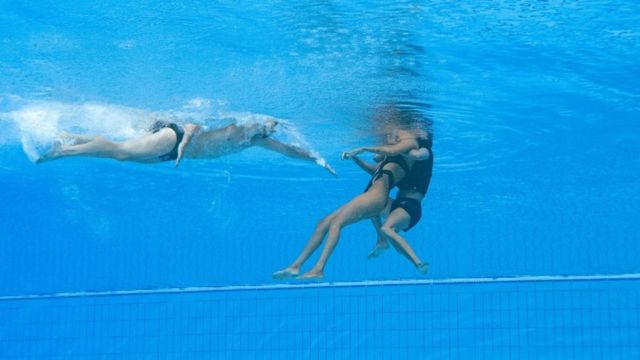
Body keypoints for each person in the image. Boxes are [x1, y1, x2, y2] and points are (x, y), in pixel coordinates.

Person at [272, 124, 426, 280]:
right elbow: (374, 168)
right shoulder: (389, 160)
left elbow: (393, 150)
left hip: (375, 198)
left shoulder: (408, 152)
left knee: (337, 224)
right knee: (322, 223)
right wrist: (355, 158)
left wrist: (364, 148)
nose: (390, 137)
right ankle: (295, 266)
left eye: (395, 135)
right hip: (370, 195)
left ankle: (318, 269)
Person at [36, 119, 337, 177]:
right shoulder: (236, 123)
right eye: (268, 126)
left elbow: (289, 151)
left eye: (271, 129)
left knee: (122, 156)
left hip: (172, 156)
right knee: (122, 151)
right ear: (257, 121)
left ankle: (69, 136)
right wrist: (181, 149)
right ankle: (62, 152)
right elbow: (193, 124)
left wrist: (318, 161)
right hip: (174, 139)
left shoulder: (254, 140)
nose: (270, 131)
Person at [354, 136, 433, 275]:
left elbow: (419, 156)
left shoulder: (424, 150)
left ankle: (418, 262)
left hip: (411, 207)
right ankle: (382, 241)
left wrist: (395, 150)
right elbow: (375, 170)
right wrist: (354, 158)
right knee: (371, 205)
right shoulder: (400, 159)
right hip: (397, 204)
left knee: (387, 228)